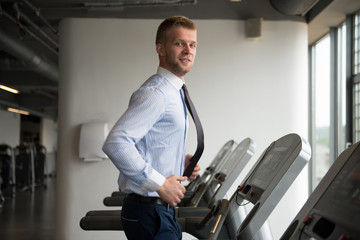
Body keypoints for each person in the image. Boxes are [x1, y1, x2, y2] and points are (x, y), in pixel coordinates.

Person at [102, 16, 202, 240]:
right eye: (179, 43)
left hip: (161, 211)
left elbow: (151, 143)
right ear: (161, 49)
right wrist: (159, 184)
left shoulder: (174, 92)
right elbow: (115, 143)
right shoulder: (157, 93)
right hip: (149, 210)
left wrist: (179, 161)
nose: (188, 50)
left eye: (192, 44)